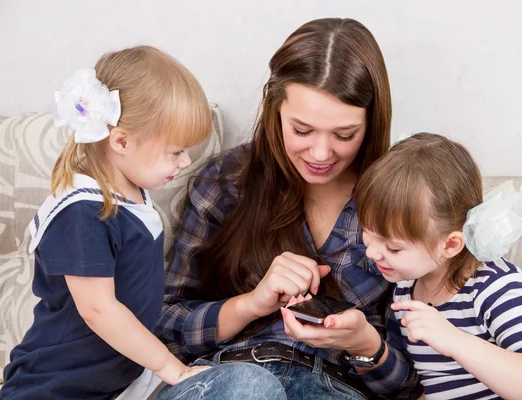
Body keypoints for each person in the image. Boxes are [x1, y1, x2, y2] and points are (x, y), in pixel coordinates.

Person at [156, 18, 419, 400]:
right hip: (230, 376)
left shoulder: (401, 201)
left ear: (371, 122)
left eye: (344, 135)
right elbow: (163, 327)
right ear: (275, 108)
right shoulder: (227, 181)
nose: (320, 154)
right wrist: (248, 305)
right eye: (302, 130)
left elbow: (419, 381)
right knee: (251, 388)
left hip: (335, 386)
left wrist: (366, 345)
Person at [0, 46, 212, 400]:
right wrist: (172, 368)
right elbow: (99, 309)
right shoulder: (82, 211)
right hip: (56, 387)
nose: (186, 161)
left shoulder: (135, 195)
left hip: (119, 380)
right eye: (175, 151)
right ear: (122, 141)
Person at [353, 132, 522, 399]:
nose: (372, 252)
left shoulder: (500, 288)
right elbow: (417, 386)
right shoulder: (404, 288)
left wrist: (453, 339)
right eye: (366, 231)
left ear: (450, 245)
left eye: (393, 247)